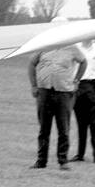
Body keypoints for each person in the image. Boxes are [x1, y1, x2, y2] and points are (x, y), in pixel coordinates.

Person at [28, 42, 86, 170]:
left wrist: (76, 80)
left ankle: (63, 160)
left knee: (63, 128)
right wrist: (33, 85)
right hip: (44, 92)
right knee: (44, 129)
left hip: (64, 93)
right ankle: (41, 161)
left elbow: (83, 62)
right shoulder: (44, 46)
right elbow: (32, 64)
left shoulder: (72, 48)